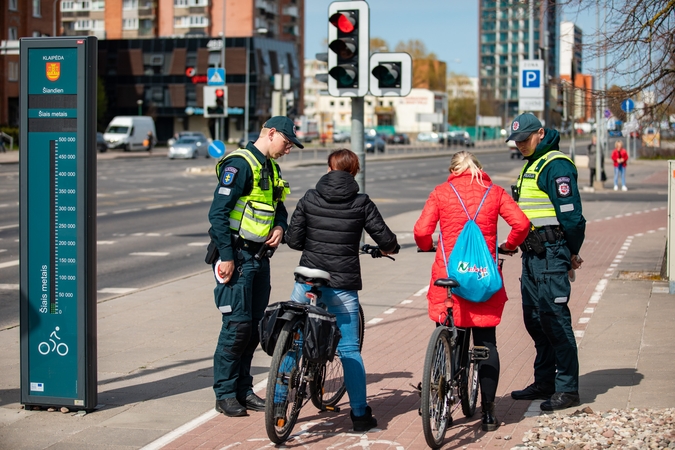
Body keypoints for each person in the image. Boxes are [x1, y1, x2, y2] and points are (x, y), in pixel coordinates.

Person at [414, 151, 530, 431]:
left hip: (449, 280)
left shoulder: (441, 192)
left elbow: (421, 230)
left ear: (453, 170)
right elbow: (522, 224)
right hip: (482, 278)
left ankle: (443, 402)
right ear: (479, 168)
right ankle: (489, 413)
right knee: (486, 343)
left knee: (451, 336)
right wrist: (509, 246)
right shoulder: (495, 192)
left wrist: (429, 245)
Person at [285, 148, 399, 431]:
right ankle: (360, 415)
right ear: (354, 172)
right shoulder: (361, 202)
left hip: (307, 279)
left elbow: (294, 240)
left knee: (292, 340)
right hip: (341, 284)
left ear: (328, 168)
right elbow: (385, 238)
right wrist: (387, 249)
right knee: (349, 349)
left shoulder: (310, 196)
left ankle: (278, 402)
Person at [207, 116, 301, 417]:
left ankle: (244, 391)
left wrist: (280, 227)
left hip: (260, 259)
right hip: (237, 256)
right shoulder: (241, 164)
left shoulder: (271, 167)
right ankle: (224, 394)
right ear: (271, 134)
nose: (288, 150)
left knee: (253, 329)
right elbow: (217, 214)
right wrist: (227, 256)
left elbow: (280, 207)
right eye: (286, 143)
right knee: (236, 327)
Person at [506, 113, 586, 411]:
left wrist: (571, 251)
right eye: (517, 141)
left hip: (552, 253)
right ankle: (545, 382)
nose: (521, 145)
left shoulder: (556, 165)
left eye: (525, 139)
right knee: (535, 320)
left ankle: (567, 388)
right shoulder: (533, 164)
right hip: (532, 255)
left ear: (540, 133)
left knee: (554, 319)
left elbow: (572, 217)